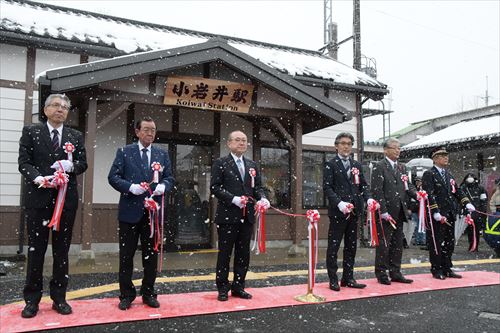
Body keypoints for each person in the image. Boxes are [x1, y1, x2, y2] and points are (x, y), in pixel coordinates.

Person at [18, 94, 88, 318]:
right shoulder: (31, 132)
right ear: (46, 109)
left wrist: (72, 166)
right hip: (38, 200)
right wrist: (39, 178)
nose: (61, 110)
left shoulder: (75, 136)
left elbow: (82, 163)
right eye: (56, 105)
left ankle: (59, 298)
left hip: (65, 201)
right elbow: (24, 162)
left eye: (65, 107)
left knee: (62, 252)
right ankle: (31, 300)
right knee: (36, 250)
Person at [108, 117, 174, 310]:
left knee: (150, 256)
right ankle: (126, 295)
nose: (150, 133)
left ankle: (149, 293)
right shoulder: (124, 152)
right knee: (126, 256)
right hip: (130, 211)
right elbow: (113, 177)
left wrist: (164, 186)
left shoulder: (162, 155)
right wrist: (130, 187)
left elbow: (170, 177)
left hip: (152, 214)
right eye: (146, 129)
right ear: (137, 132)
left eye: (153, 130)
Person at [210, 130, 269, 301]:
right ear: (229, 143)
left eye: (244, 140)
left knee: (243, 253)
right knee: (225, 254)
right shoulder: (221, 163)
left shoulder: (252, 165)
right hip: (228, 216)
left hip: (247, 216)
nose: (242, 143)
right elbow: (215, 187)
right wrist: (234, 199)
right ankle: (222, 287)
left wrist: (263, 198)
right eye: (237, 140)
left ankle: (238, 286)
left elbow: (258, 188)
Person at [323, 132, 374, 291]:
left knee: (351, 246)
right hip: (338, 212)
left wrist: (369, 199)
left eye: (349, 144)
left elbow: (363, 186)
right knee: (334, 246)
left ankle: (348, 277)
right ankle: (333, 279)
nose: (346, 146)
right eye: (343, 143)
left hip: (354, 211)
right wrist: (339, 203)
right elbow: (327, 188)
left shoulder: (357, 165)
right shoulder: (330, 164)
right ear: (336, 146)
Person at [422, 147, 475, 280]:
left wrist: (466, 202)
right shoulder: (429, 174)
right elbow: (429, 194)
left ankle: (447, 268)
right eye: (442, 156)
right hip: (438, 215)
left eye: (446, 155)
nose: (446, 158)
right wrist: (435, 211)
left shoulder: (448, 174)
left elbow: (456, 190)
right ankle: (437, 269)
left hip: (450, 213)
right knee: (437, 243)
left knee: (449, 242)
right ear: (435, 159)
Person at [371, 138, 416, 285]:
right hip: (386, 213)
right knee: (384, 244)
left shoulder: (402, 167)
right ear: (385, 150)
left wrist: (418, 194)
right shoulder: (379, 166)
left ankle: (395, 272)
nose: (398, 150)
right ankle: (381, 273)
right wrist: (383, 210)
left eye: (399, 148)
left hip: (400, 211)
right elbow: (377, 191)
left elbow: (408, 186)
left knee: (397, 244)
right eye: (394, 147)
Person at [459, 173, 488, 251]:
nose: (470, 178)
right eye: (468, 177)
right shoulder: (463, 188)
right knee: (470, 230)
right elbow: (459, 200)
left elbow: (484, 200)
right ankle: (471, 245)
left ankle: (475, 246)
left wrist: (482, 211)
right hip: (467, 212)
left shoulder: (480, 188)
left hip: (477, 212)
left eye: (471, 177)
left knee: (476, 230)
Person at [410, 177, 427, 247]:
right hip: (415, 210)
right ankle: (417, 240)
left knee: (422, 225)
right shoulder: (414, 189)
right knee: (416, 226)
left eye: (419, 181)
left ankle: (422, 240)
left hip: (422, 210)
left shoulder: (423, 189)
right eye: (416, 181)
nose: (418, 182)